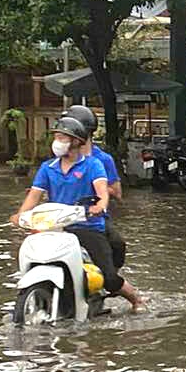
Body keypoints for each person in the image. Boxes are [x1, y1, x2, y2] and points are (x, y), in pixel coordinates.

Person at [9, 112, 144, 310]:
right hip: (57, 226)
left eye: (61, 137)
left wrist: (99, 205)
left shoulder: (94, 164)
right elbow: (34, 195)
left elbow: (102, 190)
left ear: (76, 141)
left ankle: (136, 299)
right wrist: (21, 214)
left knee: (108, 277)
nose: (57, 141)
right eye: (56, 137)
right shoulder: (48, 167)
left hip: (87, 225)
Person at [65, 106, 126, 268]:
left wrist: (97, 186)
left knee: (117, 244)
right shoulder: (61, 158)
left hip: (92, 218)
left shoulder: (103, 160)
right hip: (62, 217)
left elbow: (117, 193)